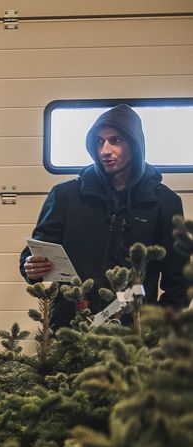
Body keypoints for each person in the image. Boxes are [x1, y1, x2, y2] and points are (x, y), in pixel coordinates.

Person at [20, 103, 187, 327]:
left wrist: (153, 325)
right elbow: (36, 252)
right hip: (72, 327)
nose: (105, 150)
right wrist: (30, 266)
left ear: (135, 145)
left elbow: (179, 281)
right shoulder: (65, 195)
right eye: (99, 142)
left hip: (130, 334)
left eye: (115, 140)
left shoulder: (164, 202)